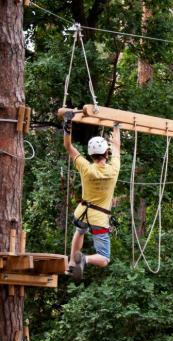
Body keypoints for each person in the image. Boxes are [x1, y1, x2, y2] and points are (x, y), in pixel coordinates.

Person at [63, 112, 121, 281]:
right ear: (106, 154)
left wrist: (68, 126)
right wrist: (116, 128)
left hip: (82, 212)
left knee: (80, 231)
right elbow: (117, 148)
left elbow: (68, 146)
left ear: (90, 154)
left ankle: (72, 264)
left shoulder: (86, 168)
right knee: (104, 258)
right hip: (99, 218)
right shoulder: (113, 170)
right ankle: (84, 260)